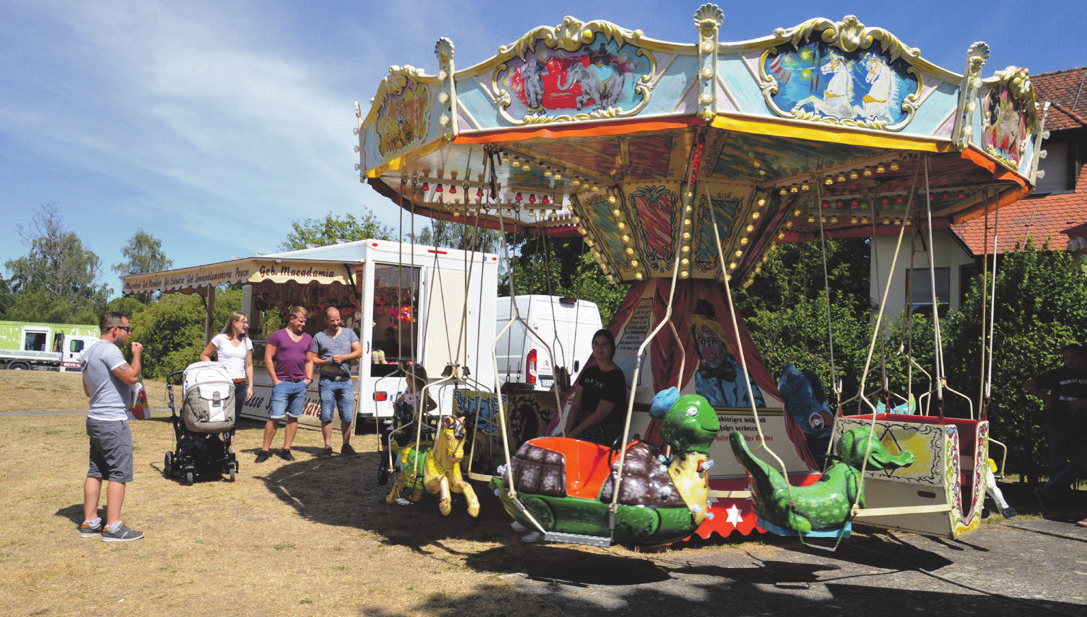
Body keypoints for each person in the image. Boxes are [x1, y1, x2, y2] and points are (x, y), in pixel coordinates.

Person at [79, 312, 145, 542]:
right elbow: (132, 376)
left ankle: (90, 521)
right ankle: (114, 526)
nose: (129, 334)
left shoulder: (89, 351)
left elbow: (88, 390)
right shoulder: (109, 350)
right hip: (111, 421)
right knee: (119, 472)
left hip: (95, 417)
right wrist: (136, 355)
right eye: (127, 329)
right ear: (115, 330)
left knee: (95, 470)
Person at [1024, 343, 1087, 509]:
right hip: (1058, 423)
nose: (1069, 361)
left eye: (1073, 357)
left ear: (1082, 357)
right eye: (1066, 358)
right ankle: (1054, 501)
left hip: (1081, 426)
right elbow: (1029, 385)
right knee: (1057, 464)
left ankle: (1044, 491)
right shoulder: (1057, 374)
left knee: (1081, 464)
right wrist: (1047, 399)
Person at [256, 306, 314, 463]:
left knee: (293, 418)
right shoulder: (278, 335)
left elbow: (309, 360)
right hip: (282, 383)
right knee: (275, 417)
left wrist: (308, 379)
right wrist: (275, 379)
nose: (303, 325)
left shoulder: (308, 338)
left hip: (300, 384)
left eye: (305, 322)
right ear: (292, 319)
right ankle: (264, 450)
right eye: (301, 321)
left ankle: (286, 449)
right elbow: (268, 358)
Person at [689, 299, 765, 408]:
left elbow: (760, 408)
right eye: (701, 341)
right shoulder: (700, 376)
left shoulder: (741, 373)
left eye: (713, 341)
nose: (707, 348)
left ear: (722, 343)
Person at [310, 307, 362, 457]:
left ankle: (346, 445)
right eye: (332, 320)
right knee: (326, 415)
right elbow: (313, 359)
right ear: (325, 320)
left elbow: (359, 351)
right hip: (327, 380)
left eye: (338, 319)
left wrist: (343, 358)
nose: (336, 323)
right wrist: (326, 361)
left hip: (345, 381)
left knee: (347, 416)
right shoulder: (319, 337)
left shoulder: (349, 333)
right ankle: (327, 446)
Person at [564, 328, 626, 446]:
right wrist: (567, 431)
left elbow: (600, 413)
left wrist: (574, 434)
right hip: (582, 423)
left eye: (604, 344)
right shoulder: (589, 372)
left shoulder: (616, 376)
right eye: (596, 344)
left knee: (579, 443)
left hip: (603, 427)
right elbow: (576, 405)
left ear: (611, 349)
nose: (599, 348)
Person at [200, 311, 254, 446]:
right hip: (223, 385)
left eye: (247, 322)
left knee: (233, 421)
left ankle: (226, 452)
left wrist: (250, 385)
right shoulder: (220, 339)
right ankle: (211, 448)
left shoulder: (247, 342)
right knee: (217, 418)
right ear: (234, 323)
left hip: (240, 384)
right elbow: (204, 355)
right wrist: (215, 370)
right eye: (243, 322)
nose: (246, 325)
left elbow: (249, 365)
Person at [377, 363, 436, 484]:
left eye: (407, 376)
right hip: (403, 421)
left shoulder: (422, 393)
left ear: (413, 378)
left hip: (415, 422)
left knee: (409, 440)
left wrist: (421, 411)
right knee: (386, 436)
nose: (405, 379)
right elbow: (401, 399)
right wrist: (397, 404)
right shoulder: (408, 390)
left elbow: (434, 405)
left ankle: (408, 463)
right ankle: (388, 459)